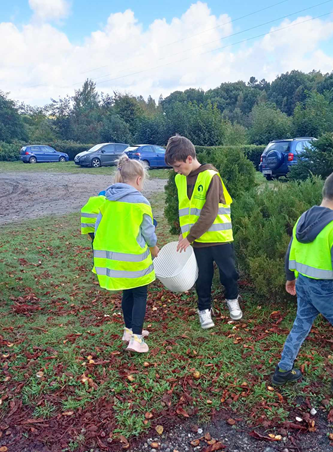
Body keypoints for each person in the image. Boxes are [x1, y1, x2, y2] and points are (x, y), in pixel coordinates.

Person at [273, 169, 333, 395]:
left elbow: (290, 252)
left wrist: (290, 278)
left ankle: (283, 370)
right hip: (327, 289)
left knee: (301, 324)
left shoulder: (304, 217)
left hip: (304, 284)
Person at [165, 135, 242, 329]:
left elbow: (210, 212)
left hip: (219, 238)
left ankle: (232, 299)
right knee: (203, 278)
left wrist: (189, 236)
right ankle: (204, 310)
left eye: (178, 166)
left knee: (229, 274)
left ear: (189, 159)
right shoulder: (179, 180)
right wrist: (184, 232)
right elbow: (185, 209)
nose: (176, 171)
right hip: (198, 243)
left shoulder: (211, 177)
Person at [92, 156, 159, 353]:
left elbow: (98, 228)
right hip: (135, 261)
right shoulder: (141, 202)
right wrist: (154, 248)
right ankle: (137, 340)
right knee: (139, 294)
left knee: (127, 293)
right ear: (138, 179)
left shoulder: (106, 200)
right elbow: (149, 233)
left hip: (113, 263)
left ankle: (128, 331)